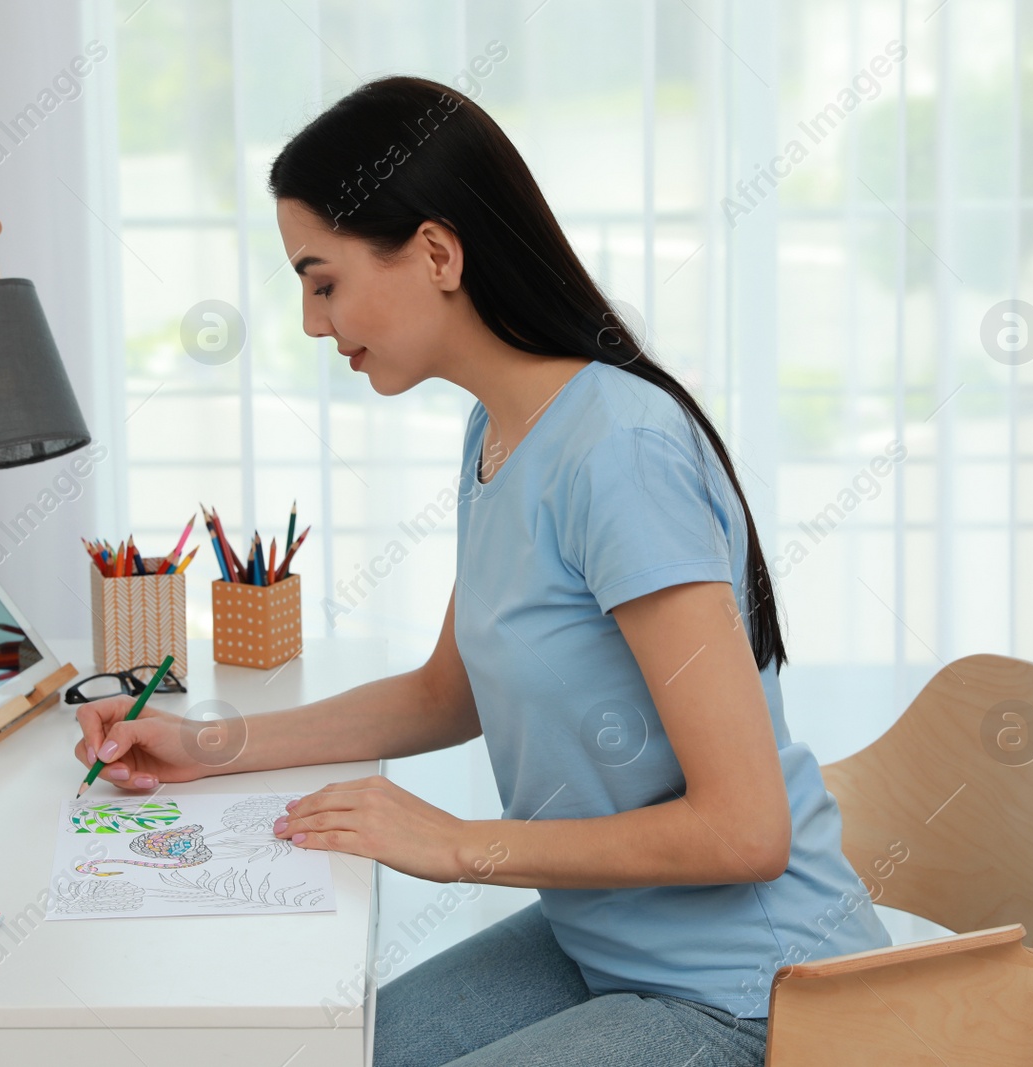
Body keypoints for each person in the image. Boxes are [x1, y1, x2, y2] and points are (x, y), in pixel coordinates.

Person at [74, 74, 891, 1067]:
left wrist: (459, 842)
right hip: (603, 936)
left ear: (436, 252)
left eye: (322, 279)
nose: (311, 323)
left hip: (756, 997)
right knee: (327, 1051)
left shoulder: (619, 452)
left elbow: (748, 828)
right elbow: (442, 690)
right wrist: (208, 745)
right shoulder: (499, 432)